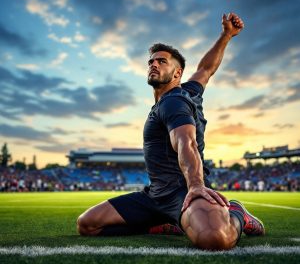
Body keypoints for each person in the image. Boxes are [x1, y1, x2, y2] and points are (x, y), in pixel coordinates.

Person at [77, 13, 265, 250]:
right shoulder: (190, 92)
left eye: (162, 61)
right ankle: (161, 222)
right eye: (151, 61)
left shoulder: (173, 102)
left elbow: (186, 142)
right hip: (154, 196)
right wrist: (226, 36)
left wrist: (196, 186)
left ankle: (238, 214)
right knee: (87, 224)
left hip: (182, 191)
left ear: (177, 74)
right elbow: (206, 69)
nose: (153, 64)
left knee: (216, 238)